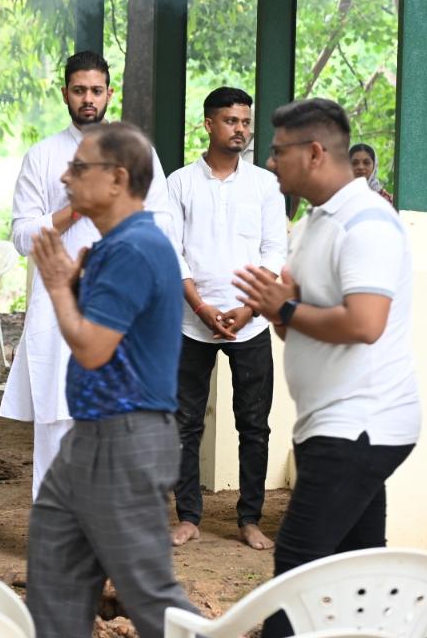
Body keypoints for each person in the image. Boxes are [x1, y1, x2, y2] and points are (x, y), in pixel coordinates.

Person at [234, 98, 420, 638]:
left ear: (315, 152)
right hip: (333, 424)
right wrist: (280, 312)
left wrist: (285, 307)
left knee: (297, 570)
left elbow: (365, 323)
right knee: (358, 575)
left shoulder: (366, 223)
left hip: (361, 424)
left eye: (278, 151)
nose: (270, 162)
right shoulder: (314, 223)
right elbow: (297, 325)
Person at [25, 121, 195, 638]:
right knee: (54, 577)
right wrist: (71, 289)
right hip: (92, 436)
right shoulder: (110, 247)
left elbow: (94, 350)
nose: (66, 176)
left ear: (118, 179)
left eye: (79, 168)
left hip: (125, 439)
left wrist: (57, 288)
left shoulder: (133, 248)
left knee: (151, 596)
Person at [0, 51, 171, 499]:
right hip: (60, 308)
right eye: (79, 90)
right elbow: (21, 235)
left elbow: (165, 224)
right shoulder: (42, 156)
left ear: (110, 93)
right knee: (58, 420)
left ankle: (108, 543)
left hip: (123, 304)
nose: (88, 99)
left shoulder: (138, 153)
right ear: (65, 95)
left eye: (96, 90)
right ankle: (54, 541)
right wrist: (74, 208)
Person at [168, 87, 285, 551]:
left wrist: (250, 307)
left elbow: (275, 249)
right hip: (191, 322)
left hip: (250, 323)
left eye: (245, 121)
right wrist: (201, 307)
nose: (241, 129)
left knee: (254, 424)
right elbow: (171, 250)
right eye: (231, 121)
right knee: (184, 423)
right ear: (209, 124)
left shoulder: (265, 185)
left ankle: (249, 519)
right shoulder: (180, 183)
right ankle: (189, 516)